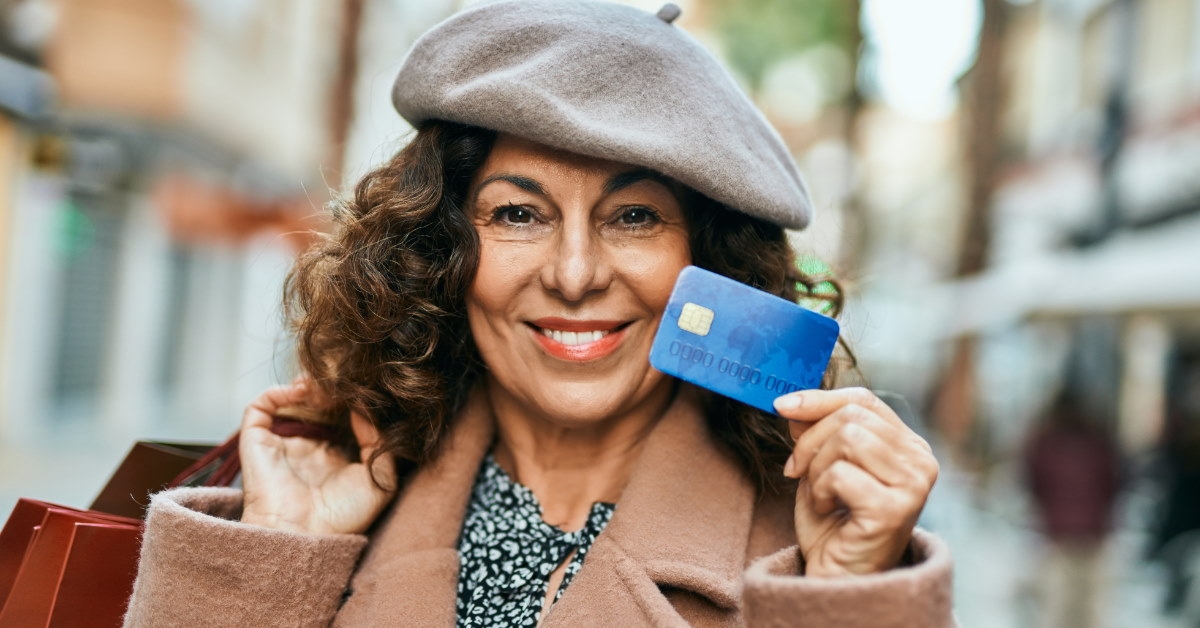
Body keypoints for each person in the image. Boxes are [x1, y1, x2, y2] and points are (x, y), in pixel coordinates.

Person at [123, 2, 952, 626]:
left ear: (708, 262)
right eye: (518, 214)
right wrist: (277, 556)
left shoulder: (811, 550)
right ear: (440, 248)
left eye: (635, 218)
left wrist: (846, 591)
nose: (576, 274)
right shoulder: (335, 501)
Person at [1022, 391, 1123, 628]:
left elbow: (1033, 483)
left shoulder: (1045, 445)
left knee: (1057, 612)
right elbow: (1115, 483)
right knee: (1090, 613)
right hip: (1093, 535)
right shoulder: (1100, 445)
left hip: (1058, 535)